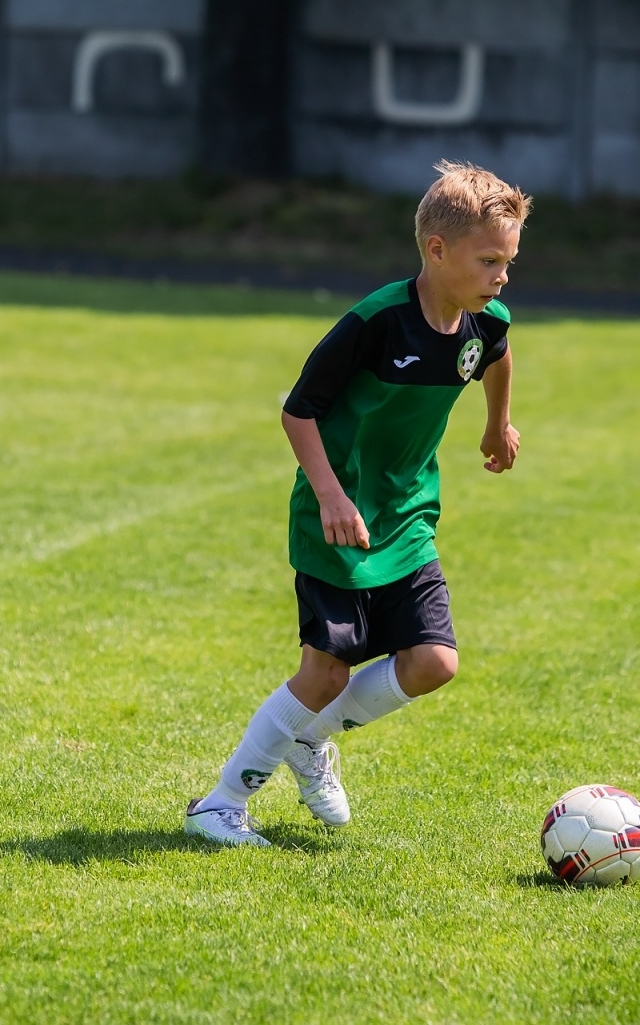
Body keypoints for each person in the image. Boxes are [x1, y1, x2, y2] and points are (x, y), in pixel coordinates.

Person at [185, 162, 530, 846]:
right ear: (437, 251)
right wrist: (332, 496)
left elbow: (498, 353)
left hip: (406, 517)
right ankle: (220, 805)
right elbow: (298, 412)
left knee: (434, 662)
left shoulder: (483, 323)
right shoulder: (375, 324)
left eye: (510, 260)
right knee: (326, 672)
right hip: (336, 519)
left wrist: (498, 424)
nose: (502, 275)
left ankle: (309, 740)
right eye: (489, 259)